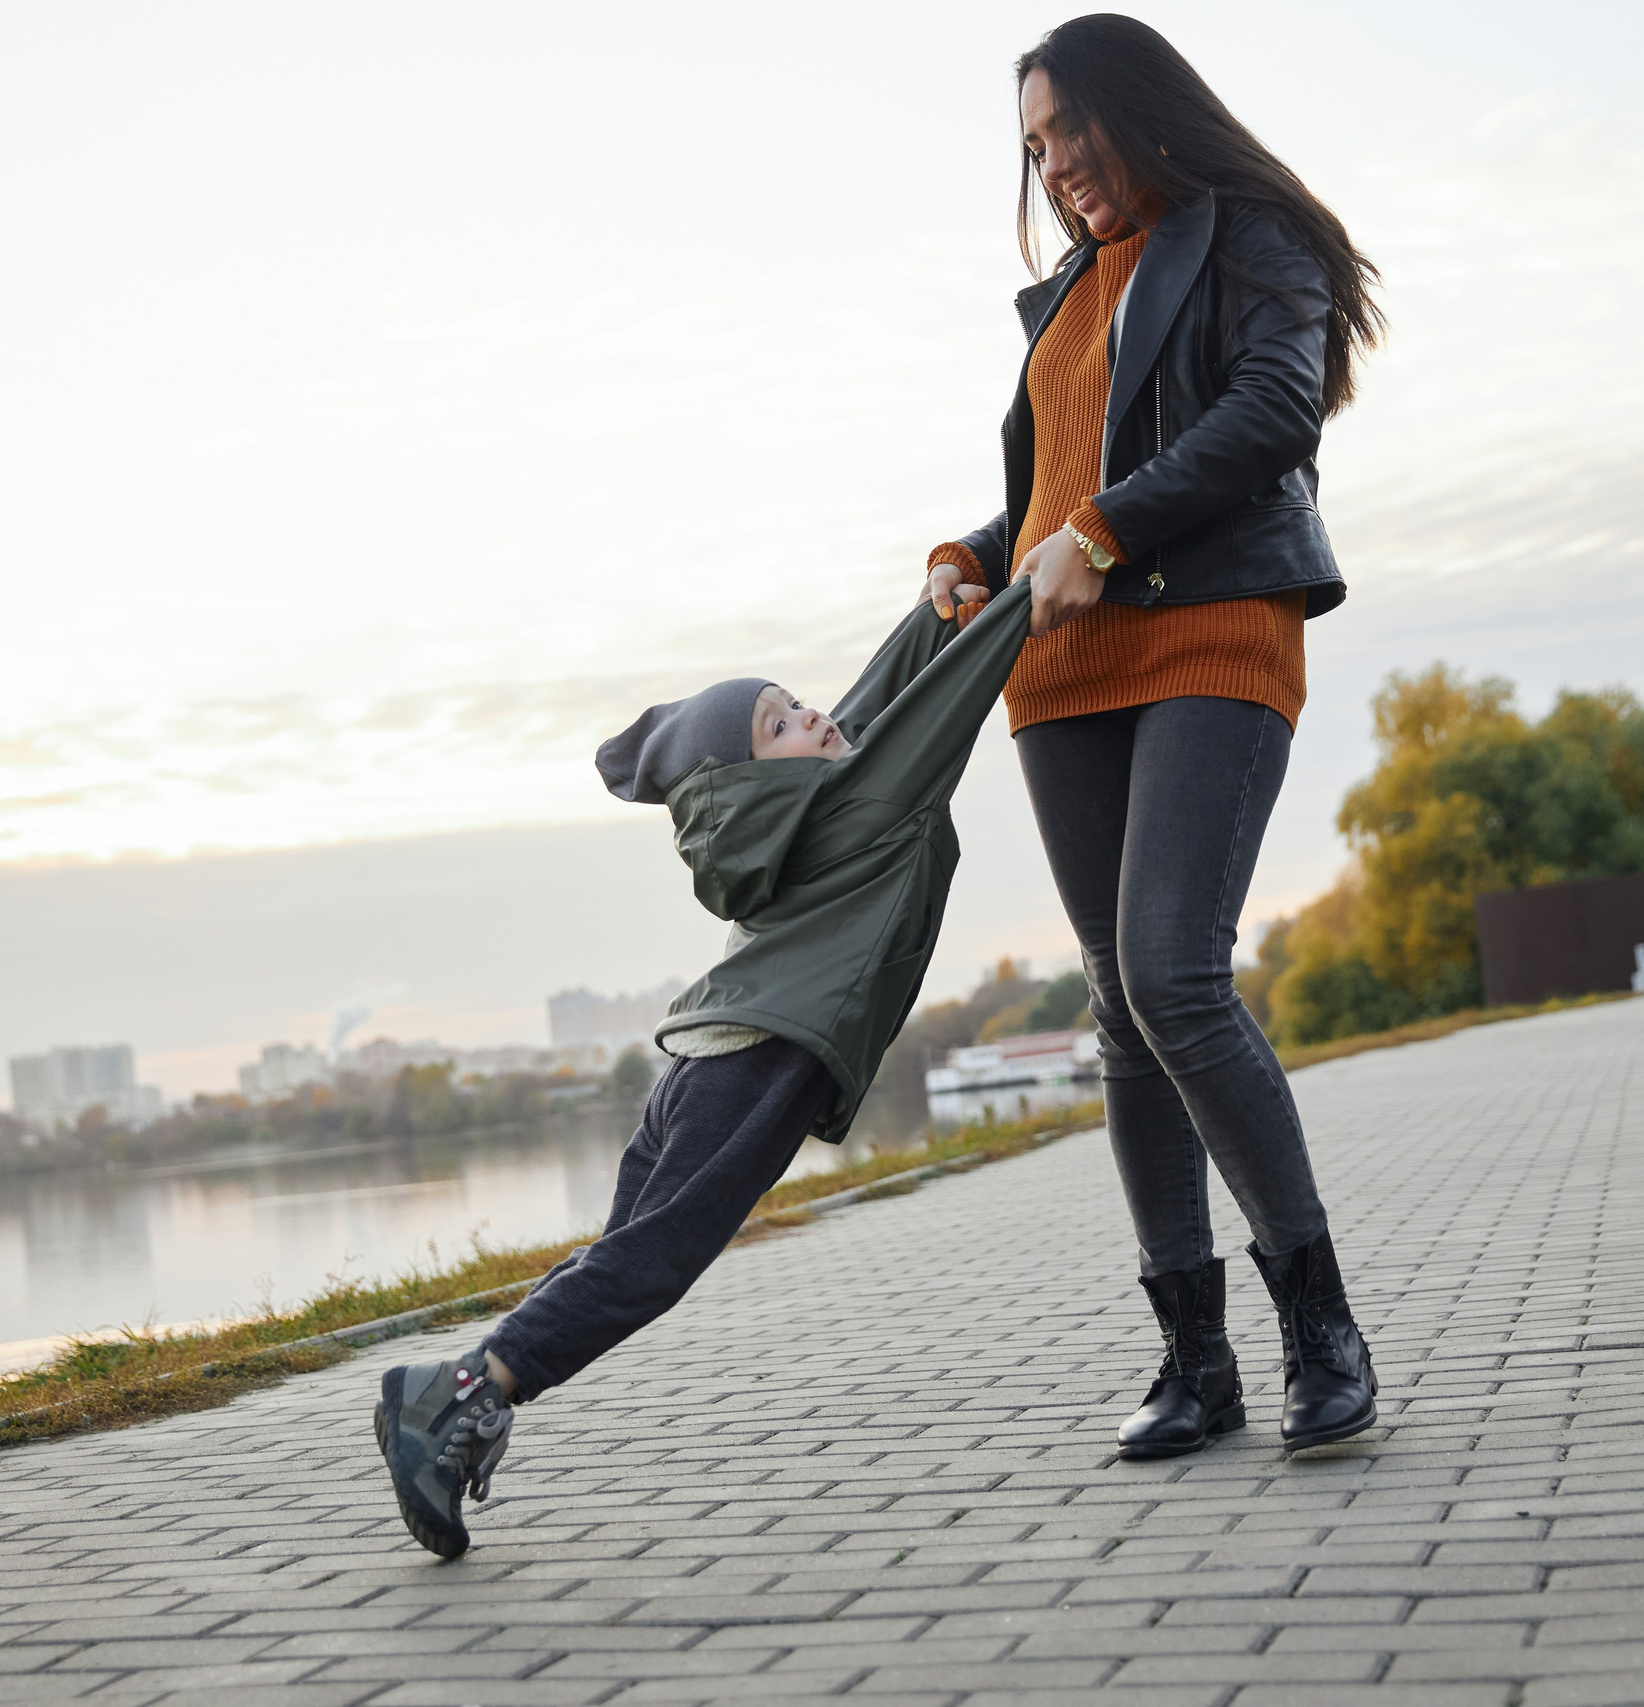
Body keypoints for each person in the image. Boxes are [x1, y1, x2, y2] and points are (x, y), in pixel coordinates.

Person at [922, 16, 1384, 1458]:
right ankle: (1196, 1359)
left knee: (1178, 970)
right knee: (1121, 1006)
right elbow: (1063, 489)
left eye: (1069, 132)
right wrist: (974, 553)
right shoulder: (1063, 298)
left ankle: (1321, 1326)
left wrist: (1104, 532)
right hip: (1064, 675)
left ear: (1139, 108)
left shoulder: (1251, 234)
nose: (1056, 167)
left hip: (1214, 625)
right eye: (1036, 147)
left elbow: (1269, 414)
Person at [373, 583, 1034, 1559]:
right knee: (652, 1264)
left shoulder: (810, 793)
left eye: (792, 699)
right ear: (756, 776)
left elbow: (880, 695)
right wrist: (1031, 595)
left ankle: (451, 1391)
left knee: (627, 1256)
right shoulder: (853, 799)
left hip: (712, 1054)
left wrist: (943, 603)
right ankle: (467, 1392)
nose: (814, 715)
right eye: (781, 722)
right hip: (757, 1060)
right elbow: (947, 699)